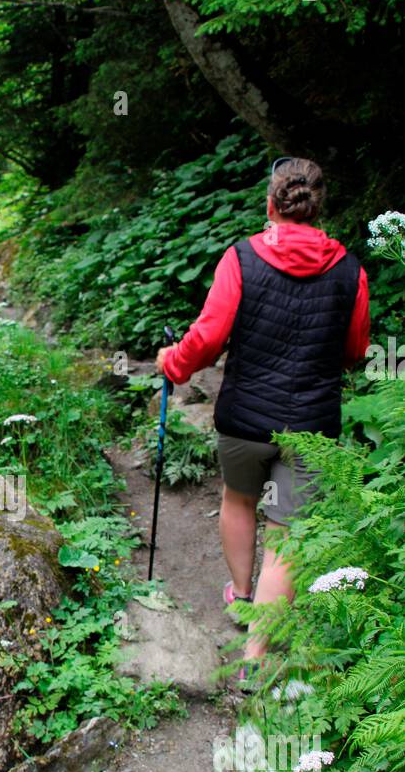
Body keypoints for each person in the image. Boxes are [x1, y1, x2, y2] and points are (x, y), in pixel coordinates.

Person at [155, 156, 370, 672]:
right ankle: (256, 655)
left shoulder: (241, 257)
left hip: (245, 420)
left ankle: (242, 595)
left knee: (238, 500)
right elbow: (356, 350)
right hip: (313, 426)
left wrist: (173, 364)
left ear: (271, 205)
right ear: (318, 209)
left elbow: (206, 340)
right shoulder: (350, 270)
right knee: (286, 532)